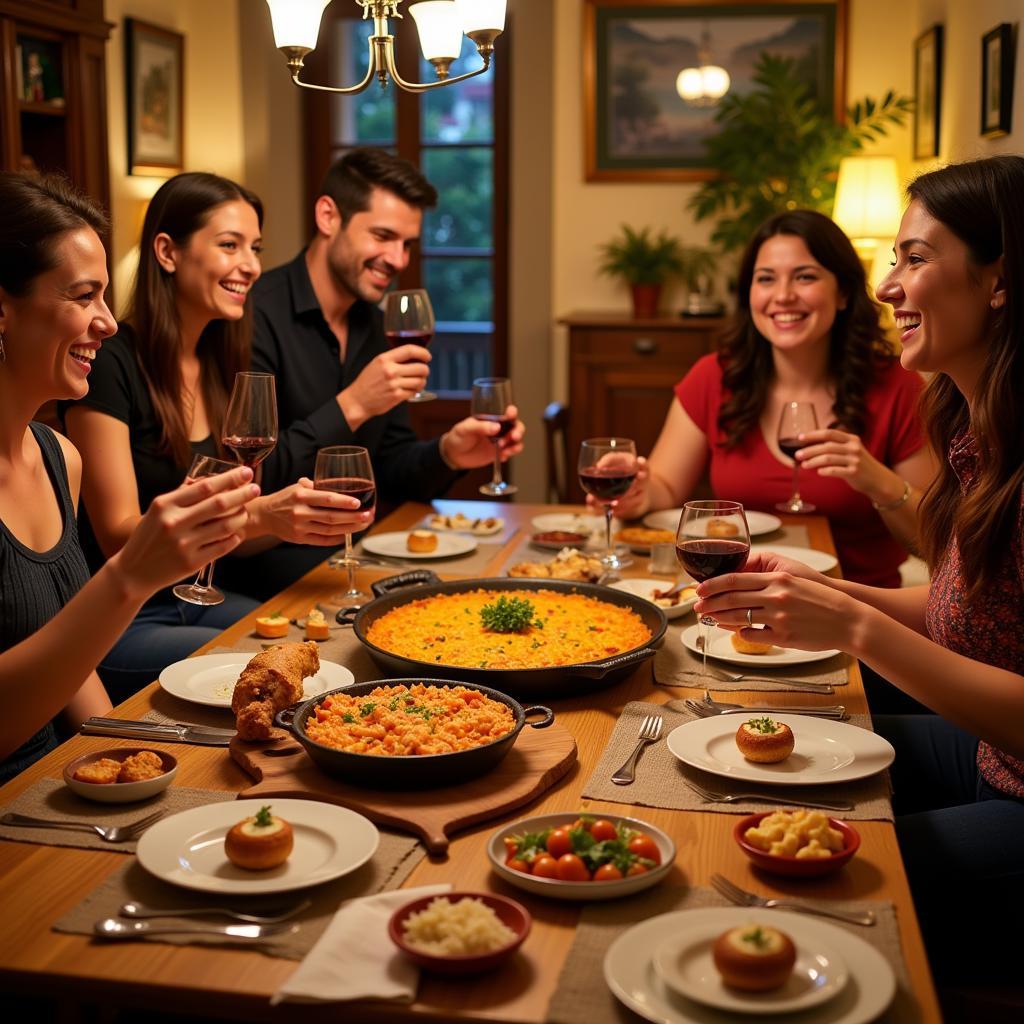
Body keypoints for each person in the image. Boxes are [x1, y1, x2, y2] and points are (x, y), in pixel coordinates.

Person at [696, 156, 1024, 990]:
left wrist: (854, 628)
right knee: (763, 777)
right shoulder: (977, 427)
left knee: (786, 880)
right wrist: (825, 592)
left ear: (999, 280)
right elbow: (964, 606)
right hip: (996, 757)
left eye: (916, 259)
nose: (890, 286)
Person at [63, 173, 371, 703]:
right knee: (269, 671)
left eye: (254, 248)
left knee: (332, 647)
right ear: (167, 251)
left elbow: (235, 528)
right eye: (229, 245)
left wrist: (293, 521)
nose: (250, 264)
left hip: (202, 597)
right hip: (122, 616)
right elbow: (118, 535)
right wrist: (260, 515)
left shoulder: (218, 364)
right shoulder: (110, 362)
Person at [0, 171, 257, 781]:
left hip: (59, 783)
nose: (109, 322)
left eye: (106, 297)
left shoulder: (59, 457)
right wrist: (132, 574)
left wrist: (132, 766)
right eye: (83, 296)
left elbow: (73, 662)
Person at [247, 147, 524, 597]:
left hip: (360, 563)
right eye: (382, 236)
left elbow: (392, 470)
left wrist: (451, 453)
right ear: (327, 216)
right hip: (269, 579)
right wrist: (354, 404)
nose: (398, 259)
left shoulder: (378, 328)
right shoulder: (254, 317)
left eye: (407, 244)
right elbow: (254, 479)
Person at [609, 209, 935, 590]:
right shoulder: (713, 377)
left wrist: (877, 481)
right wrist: (635, 489)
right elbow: (663, 488)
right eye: (766, 279)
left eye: (805, 277)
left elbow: (932, 543)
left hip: (859, 611)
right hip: (739, 602)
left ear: (843, 292)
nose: (783, 296)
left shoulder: (898, 387)